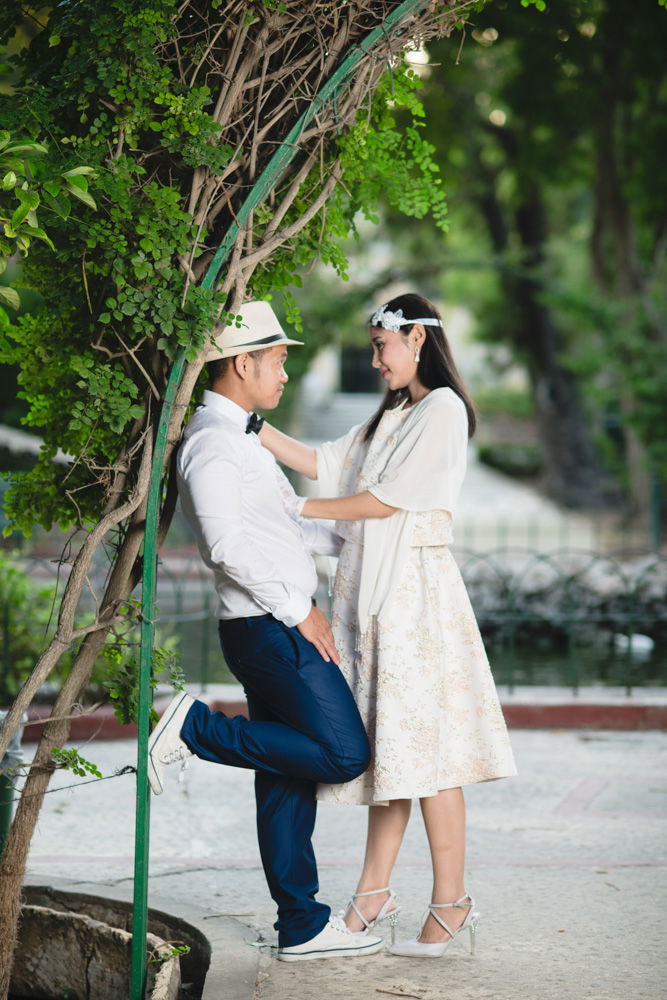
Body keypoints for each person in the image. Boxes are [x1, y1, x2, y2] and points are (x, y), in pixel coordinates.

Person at [259, 292, 517, 959]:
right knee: (396, 752)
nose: (374, 360)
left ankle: (450, 903)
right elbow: (322, 459)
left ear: (417, 340)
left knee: (429, 756)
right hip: (373, 601)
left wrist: (294, 510)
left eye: (381, 346)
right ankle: (373, 895)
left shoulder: (442, 410)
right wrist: (245, 427)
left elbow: (381, 501)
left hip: (413, 600)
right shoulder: (396, 412)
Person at [147, 301, 384, 963]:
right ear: (242, 362)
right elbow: (224, 546)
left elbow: (284, 522)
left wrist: (362, 534)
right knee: (342, 754)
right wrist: (296, 608)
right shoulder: (213, 445)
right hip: (269, 628)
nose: (283, 372)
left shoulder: (241, 438)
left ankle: (301, 925)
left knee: (285, 773)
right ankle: (194, 727)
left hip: (265, 626)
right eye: (277, 359)